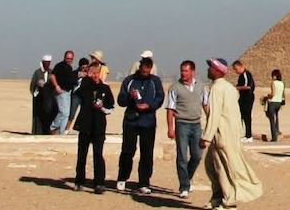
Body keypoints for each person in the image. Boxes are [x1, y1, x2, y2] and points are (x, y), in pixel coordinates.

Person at [201, 58, 263, 210]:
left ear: (217, 70)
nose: (208, 70)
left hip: (221, 134)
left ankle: (229, 202)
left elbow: (214, 115)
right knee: (211, 165)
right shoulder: (229, 88)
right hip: (231, 133)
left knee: (223, 168)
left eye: (211, 67)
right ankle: (217, 197)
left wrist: (206, 137)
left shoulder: (217, 89)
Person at [116, 52, 165, 192]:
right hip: (131, 121)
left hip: (148, 122)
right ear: (140, 67)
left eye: (147, 72)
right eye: (143, 71)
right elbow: (120, 100)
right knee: (127, 150)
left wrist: (149, 106)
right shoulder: (129, 80)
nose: (145, 74)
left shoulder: (155, 81)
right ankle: (122, 178)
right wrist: (129, 97)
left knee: (147, 153)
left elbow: (160, 98)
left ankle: (144, 182)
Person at [166, 59, 207, 199]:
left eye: (186, 71)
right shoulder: (175, 87)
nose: (183, 73)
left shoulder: (201, 86)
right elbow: (170, 109)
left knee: (197, 155)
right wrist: (170, 128)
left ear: (192, 72)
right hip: (181, 124)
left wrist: (212, 121)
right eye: (182, 71)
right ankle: (184, 186)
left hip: (196, 124)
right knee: (182, 156)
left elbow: (205, 105)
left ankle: (187, 178)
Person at [74, 60, 115, 190]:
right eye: (92, 72)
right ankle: (79, 181)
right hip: (85, 125)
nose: (95, 75)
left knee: (98, 154)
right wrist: (85, 78)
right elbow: (75, 91)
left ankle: (99, 183)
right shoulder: (85, 85)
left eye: (96, 72)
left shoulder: (105, 88)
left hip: (98, 126)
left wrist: (101, 107)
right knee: (82, 154)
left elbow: (111, 108)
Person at [51, 49, 78, 134]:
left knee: (66, 114)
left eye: (71, 59)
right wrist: (56, 86)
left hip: (68, 92)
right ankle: (53, 127)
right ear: (64, 57)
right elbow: (52, 76)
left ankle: (61, 132)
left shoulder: (69, 68)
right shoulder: (59, 66)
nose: (69, 60)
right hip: (61, 92)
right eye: (67, 58)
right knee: (64, 112)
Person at [29, 55, 55, 135]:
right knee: (38, 116)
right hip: (38, 98)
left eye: (48, 62)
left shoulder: (52, 72)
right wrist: (38, 86)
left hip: (48, 100)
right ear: (43, 62)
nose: (47, 64)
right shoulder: (37, 73)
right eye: (46, 62)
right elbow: (32, 86)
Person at [233, 60, 257, 142]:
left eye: (236, 69)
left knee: (247, 117)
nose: (235, 71)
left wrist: (237, 88)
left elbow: (248, 86)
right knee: (241, 116)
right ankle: (244, 134)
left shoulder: (245, 74)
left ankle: (248, 136)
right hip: (243, 98)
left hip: (247, 98)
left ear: (240, 66)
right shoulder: (242, 75)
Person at [265, 68, 285, 143]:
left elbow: (273, 94)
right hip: (279, 103)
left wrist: (267, 96)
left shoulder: (273, 83)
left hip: (272, 103)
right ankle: (277, 131)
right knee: (276, 118)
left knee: (272, 120)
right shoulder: (282, 83)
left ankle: (274, 137)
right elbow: (283, 95)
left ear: (274, 76)